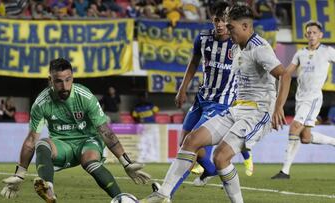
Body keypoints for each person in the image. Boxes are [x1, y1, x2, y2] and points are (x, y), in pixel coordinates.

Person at [141, 4, 291, 203]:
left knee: (220, 158)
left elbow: (285, 75)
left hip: (257, 112)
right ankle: (163, 194)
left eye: (231, 28)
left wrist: (279, 107)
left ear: (246, 26)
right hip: (236, 108)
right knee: (191, 141)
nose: (228, 31)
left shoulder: (260, 48)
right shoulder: (238, 45)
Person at [0, 58, 151, 202]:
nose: (65, 86)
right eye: (59, 81)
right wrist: (20, 174)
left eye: (68, 79)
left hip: (88, 141)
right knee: (41, 144)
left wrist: (126, 163)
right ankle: (48, 189)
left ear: (72, 77)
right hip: (62, 145)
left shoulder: (84, 97)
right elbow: (31, 140)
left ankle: (121, 198)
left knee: (89, 160)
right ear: (50, 80)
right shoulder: (41, 103)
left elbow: (105, 131)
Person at [174, 1, 254, 187]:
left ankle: (166, 193)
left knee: (192, 144)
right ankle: (211, 170)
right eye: (216, 20)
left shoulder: (240, 44)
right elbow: (194, 62)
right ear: (212, 19)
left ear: (229, 21)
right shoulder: (203, 38)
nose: (219, 24)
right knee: (183, 143)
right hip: (202, 99)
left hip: (222, 103)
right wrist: (182, 88)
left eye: (223, 21)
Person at [271, 20, 335, 179]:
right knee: (305, 138)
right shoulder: (300, 53)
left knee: (294, 127)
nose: (312, 35)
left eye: (315, 32)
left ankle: (284, 171)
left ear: (320, 35)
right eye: (309, 33)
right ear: (306, 35)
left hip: (313, 98)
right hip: (300, 98)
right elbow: (286, 73)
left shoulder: (327, 51)